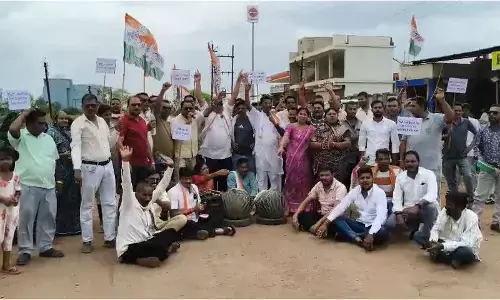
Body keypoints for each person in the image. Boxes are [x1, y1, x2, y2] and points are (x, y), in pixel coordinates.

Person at [8, 109, 63, 265]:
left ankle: (45, 247)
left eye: (44, 123)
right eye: (39, 123)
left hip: (48, 184)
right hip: (28, 184)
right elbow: (13, 129)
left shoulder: (48, 139)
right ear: (29, 123)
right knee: (26, 218)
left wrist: (58, 180)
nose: (43, 126)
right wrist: (24, 114)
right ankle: (25, 250)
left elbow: (55, 160)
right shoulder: (20, 137)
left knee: (49, 217)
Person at [116, 146, 181, 268]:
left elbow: (162, 186)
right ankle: (140, 259)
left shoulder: (150, 200)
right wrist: (125, 161)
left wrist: (170, 167)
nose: (147, 198)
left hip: (146, 240)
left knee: (172, 232)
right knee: (158, 248)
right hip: (129, 247)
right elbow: (126, 183)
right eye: (144, 195)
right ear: (136, 193)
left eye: (149, 195)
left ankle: (158, 255)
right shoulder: (129, 202)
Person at [71, 94, 117, 253]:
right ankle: (87, 240)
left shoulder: (103, 121)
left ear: (97, 105)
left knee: (110, 202)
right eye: (87, 105)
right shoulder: (78, 123)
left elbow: (108, 143)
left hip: (107, 165)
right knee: (87, 204)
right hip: (89, 167)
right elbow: (75, 146)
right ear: (82, 106)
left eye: (93, 105)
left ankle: (110, 238)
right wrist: (76, 169)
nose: (90, 108)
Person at [315, 166, 389, 251]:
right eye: (362, 178)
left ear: (372, 178)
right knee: (338, 219)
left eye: (368, 178)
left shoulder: (379, 193)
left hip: (373, 226)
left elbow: (381, 217)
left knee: (383, 232)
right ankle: (357, 239)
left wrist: (371, 234)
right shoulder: (355, 191)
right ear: (358, 180)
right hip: (358, 224)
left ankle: (350, 235)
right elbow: (341, 207)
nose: (365, 180)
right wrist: (325, 224)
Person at [401, 89, 455, 197]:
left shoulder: (436, 118)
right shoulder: (409, 120)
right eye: (409, 106)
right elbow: (403, 142)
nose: (410, 108)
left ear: (422, 107)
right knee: (412, 196)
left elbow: (450, 117)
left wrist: (442, 100)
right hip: (412, 167)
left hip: (432, 167)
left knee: (432, 197)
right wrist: (402, 161)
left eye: (413, 106)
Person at [416, 192, 482, 269]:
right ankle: (451, 259)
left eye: (450, 206)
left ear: (460, 207)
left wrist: (443, 246)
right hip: (443, 242)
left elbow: (467, 243)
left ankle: (441, 256)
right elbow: (436, 229)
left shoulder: (471, 217)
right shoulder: (445, 211)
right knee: (418, 235)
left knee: (465, 252)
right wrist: (433, 242)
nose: (446, 208)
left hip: (460, 246)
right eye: (446, 205)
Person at [168, 167, 236, 240]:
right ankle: (220, 231)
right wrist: (192, 210)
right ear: (180, 178)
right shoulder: (173, 192)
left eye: (189, 179)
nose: (188, 181)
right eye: (185, 179)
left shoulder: (194, 187)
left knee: (213, 214)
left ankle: (201, 232)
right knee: (190, 225)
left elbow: (199, 203)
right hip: (183, 222)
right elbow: (173, 214)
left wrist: (201, 207)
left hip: (196, 218)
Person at [386, 151, 439, 242]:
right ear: (404, 162)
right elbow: (397, 198)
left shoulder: (429, 174)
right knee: (390, 224)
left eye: (413, 161)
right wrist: (398, 214)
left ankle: (424, 236)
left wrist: (418, 206)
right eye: (407, 161)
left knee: (432, 207)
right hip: (408, 210)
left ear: (418, 162)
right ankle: (413, 229)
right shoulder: (400, 177)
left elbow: (432, 194)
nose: (410, 164)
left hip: (424, 208)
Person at [199, 72, 239, 192]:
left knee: (225, 182)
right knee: (210, 183)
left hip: (226, 155)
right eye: (217, 103)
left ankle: (225, 203)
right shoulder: (208, 111)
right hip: (209, 155)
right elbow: (198, 97)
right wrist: (197, 81)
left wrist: (239, 80)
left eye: (221, 103)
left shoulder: (227, 110)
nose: (219, 105)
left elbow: (234, 96)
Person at [46, 111, 82, 237]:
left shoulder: (69, 131)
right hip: (59, 169)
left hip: (71, 169)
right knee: (60, 197)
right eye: (61, 118)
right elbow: (48, 152)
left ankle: (73, 227)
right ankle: (59, 228)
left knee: (73, 198)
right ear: (55, 119)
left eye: (66, 119)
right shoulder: (51, 133)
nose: (65, 121)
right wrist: (62, 155)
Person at [279, 107, 315, 213]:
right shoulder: (290, 126)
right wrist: (281, 146)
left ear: (308, 117)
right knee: (290, 181)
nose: (303, 116)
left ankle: (303, 207)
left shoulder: (311, 129)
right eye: (301, 113)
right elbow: (286, 137)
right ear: (297, 115)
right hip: (291, 159)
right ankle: (288, 207)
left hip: (304, 160)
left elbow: (313, 142)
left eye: (305, 114)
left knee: (303, 182)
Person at [292, 167, 347, 236]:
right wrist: (295, 216)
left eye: (327, 175)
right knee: (301, 215)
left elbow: (335, 210)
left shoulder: (341, 187)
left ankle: (323, 230)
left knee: (338, 225)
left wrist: (318, 223)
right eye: (322, 175)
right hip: (322, 215)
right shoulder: (319, 185)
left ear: (333, 175)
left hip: (334, 218)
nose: (324, 178)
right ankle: (322, 231)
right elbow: (306, 201)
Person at [472, 105, 500, 232]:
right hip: (487, 167)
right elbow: (476, 146)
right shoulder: (483, 130)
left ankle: (497, 222)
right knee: (479, 196)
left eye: (495, 113)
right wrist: (481, 160)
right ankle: (474, 222)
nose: (492, 115)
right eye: (490, 113)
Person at [248, 95, 285, 192]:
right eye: (265, 103)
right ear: (261, 105)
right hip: (260, 154)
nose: (268, 105)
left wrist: (274, 123)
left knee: (275, 180)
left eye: (270, 103)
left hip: (274, 154)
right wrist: (247, 91)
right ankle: (262, 203)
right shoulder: (257, 116)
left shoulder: (277, 117)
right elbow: (248, 105)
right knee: (261, 179)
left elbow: (283, 133)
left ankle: (274, 203)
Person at [118, 95, 155, 188]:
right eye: (133, 105)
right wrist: (126, 163)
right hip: (131, 166)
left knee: (141, 192)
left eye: (138, 105)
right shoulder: (124, 121)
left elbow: (146, 142)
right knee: (128, 194)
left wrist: (152, 160)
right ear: (128, 106)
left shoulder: (142, 121)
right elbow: (119, 142)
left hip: (143, 164)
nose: (137, 107)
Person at [442, 104, 477, 197]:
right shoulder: (446, 122)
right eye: (455, 110)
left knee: (468, 176)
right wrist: (446, 136)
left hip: (462, 156)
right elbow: (437, 137)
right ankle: (454, 197)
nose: (458, 112)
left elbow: (477, 135)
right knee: (451, 180)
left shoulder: (466, 122)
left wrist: (470, 147)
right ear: (451, 110)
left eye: (459, 111)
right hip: (448, 156)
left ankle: (471, 196)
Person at [311, 108, 351, 184]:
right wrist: (323, 145)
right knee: (322, 185)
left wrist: (334, 144)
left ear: (337, 115)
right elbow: (312, 144)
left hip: (338, 163)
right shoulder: (319, 128)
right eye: (329, 114)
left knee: (338, 185)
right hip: (322, 163)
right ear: (325, 116)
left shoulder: (343, 128)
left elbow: (348, 144)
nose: (332, 116)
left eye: (334, 114)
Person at [358, 99, 400, 166]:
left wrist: (395, 163)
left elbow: (395, 144)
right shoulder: (365, 123)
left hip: (385, 159)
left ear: (383, 109)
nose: (377, 109)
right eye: (375, 108)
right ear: (371, 110)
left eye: (380, 108)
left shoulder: (391, 124)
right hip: (369, 159)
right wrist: (362, 159)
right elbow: (361, 144)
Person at [0, 146, 21, 275]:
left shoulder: (15, 176)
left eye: (8, 159)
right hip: (0, 209)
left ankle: (6, 265)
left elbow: (18, 191)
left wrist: (16, 199)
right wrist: (4, 200)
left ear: (13, 160)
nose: (5, 162)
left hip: (12, 211)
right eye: (1, 159)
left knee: (9, 236)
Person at [231, 97, 256, 174]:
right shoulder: (233, 120)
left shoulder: (252, 120)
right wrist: (232, 143)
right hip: (237, 154)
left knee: (251, 175)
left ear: (246, 109)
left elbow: (258, 133)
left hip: (249, 154)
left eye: (243, 108)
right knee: (236, 176)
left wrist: (255, 142)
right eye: (239, 108)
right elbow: (228, 134)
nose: (241, 110)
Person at [152, 82, 174, 162]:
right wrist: (163, 91)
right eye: (164, 108)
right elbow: (157, 106)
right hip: (159, 159)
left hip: (170, 159)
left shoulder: (171, 122)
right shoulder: (156, 119)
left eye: (169, 108)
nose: (167, 110)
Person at [461, 103, 480, 192]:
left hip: (470, 152)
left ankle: (473, 190)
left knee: (471, 173)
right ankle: (455, 192)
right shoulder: (455, 121)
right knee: (457, 173)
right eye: (463, 110)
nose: (464, 112)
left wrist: (470, 148)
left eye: (466, 110)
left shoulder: (475, 121)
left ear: (469, 111)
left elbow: (478, 136)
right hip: (457, 152)